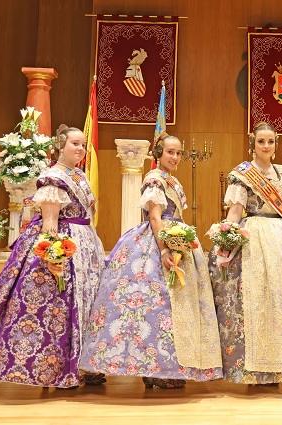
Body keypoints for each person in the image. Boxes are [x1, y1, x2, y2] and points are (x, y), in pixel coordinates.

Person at [0, 125, 105, 388]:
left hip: (86, 244)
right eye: (75, 144)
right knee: (61, 308)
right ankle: (59, 368)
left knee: (90, 301)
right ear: (60, 146)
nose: (80, 149)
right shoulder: (53, 178)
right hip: (65, 244)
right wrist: (54, 255)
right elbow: (49, 223)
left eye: (83, 145)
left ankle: (87, 365)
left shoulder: (79, 175)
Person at [79, 134, 222, 389]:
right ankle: (152, 368)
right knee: (153, 306)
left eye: (178, 153)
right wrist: (164, 249)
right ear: (158, 154)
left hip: (177, 237)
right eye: (170, 152)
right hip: (156, 241)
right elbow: (155, 217)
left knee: (172, 307)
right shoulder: (155, 179)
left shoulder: (172, 180)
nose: (175, 157)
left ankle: (168, 368)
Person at [208, 122, 282, 384]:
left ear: (276, 144)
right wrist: (226, 236)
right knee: (255, 298)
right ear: (253, 143)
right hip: (254, 236)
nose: (266, 146)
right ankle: (255, 369)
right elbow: (235, 211)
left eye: (270, 141)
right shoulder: (243, 174)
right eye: (261, 141)